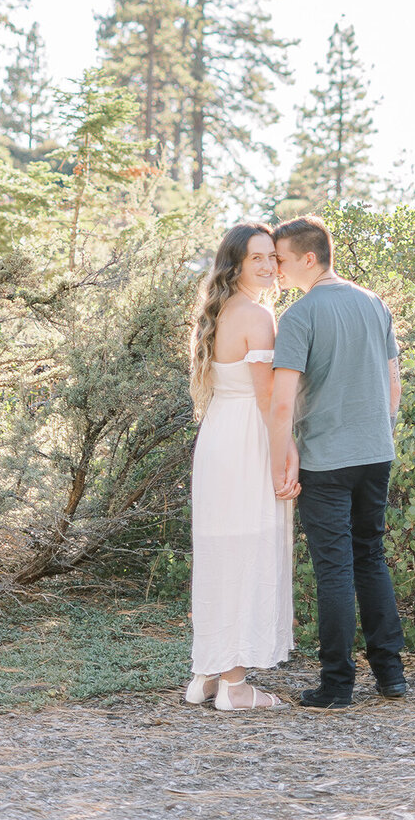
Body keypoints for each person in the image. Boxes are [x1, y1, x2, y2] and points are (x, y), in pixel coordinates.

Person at [268, 216, 407, 708]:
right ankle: (391, 676)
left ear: (309, 258)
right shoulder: (374, 302)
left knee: (334, 569)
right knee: (370, 556)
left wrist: (278, 458)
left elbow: (282, 402)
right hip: (376, 453)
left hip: (325, 460)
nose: (277, 269)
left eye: (281, 260)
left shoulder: (300, 316)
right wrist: (377, 434)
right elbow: (394, 385)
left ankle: (337, 685)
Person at [186, 222, 298, 711]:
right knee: (247, 547)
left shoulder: (216, 311)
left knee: (219, 548)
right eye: (258, 258)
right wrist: (283, 462)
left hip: (217, 437)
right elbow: (269, 397)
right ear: (236, 263)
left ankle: (204, 676)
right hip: (248, 438)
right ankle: (235, 685)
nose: (271, 266)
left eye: (273, 257)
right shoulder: (256, 316)